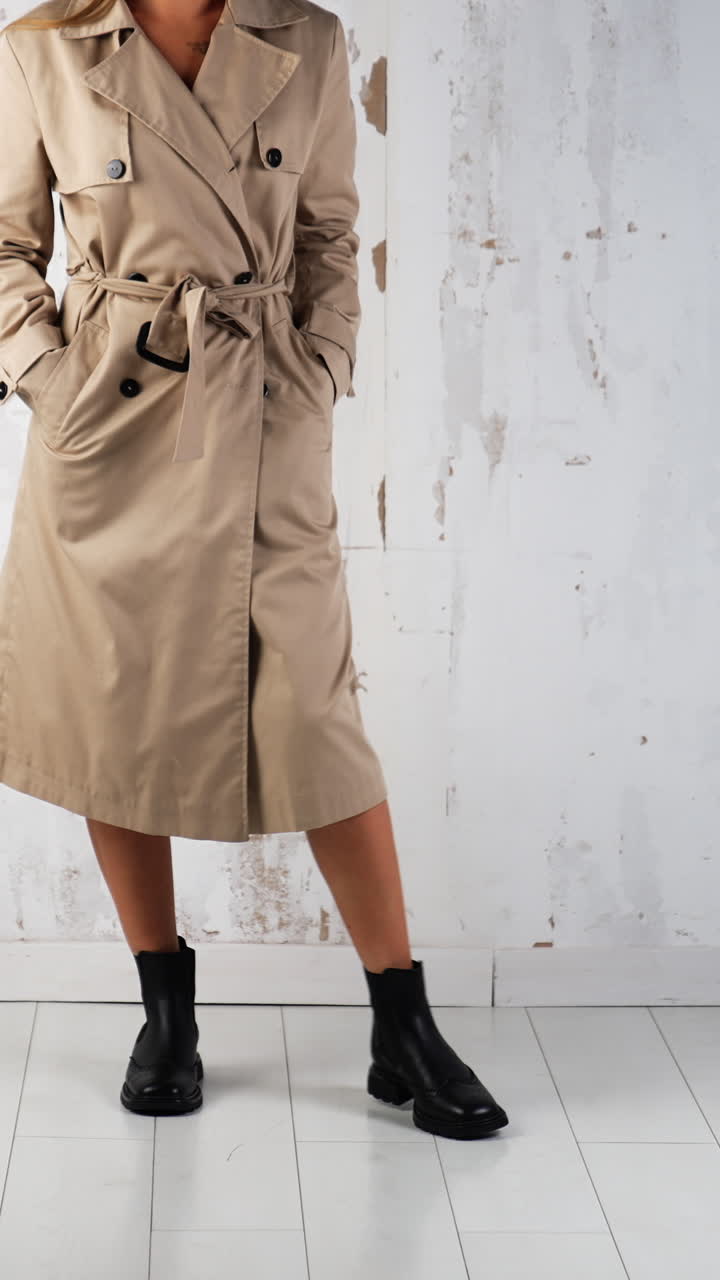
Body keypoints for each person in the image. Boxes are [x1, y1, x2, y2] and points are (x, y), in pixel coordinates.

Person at [0, 0, 508, 1139]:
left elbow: (328, 235)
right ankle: (165, 1012)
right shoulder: (39, 48)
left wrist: (319, 368)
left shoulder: (307, 40)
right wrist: (51, 381)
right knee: (113, 720)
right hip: (110, 429)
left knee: (318, 722)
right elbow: (5, 247)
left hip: (263, 416)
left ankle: (402, 1021)